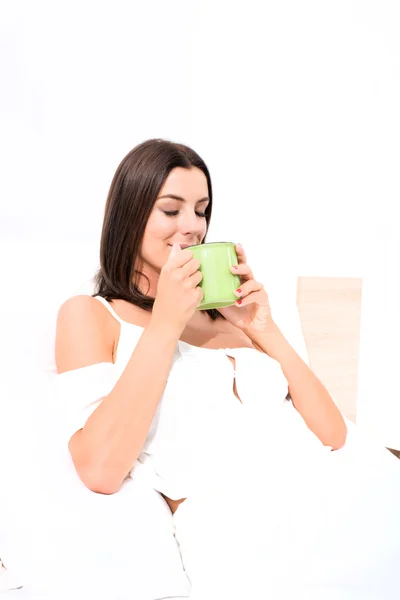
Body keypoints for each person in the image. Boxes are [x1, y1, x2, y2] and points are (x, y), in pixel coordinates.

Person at [55, 138, 400, 599]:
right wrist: (165, 324)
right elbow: (98, 468)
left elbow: (335, 435)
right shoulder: (91, 314)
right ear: (131, 213)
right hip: (251, 535)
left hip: (338, 489)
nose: (192, 227)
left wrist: (266, 330)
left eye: (201, 210)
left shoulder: (229, 317)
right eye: (171, 210)